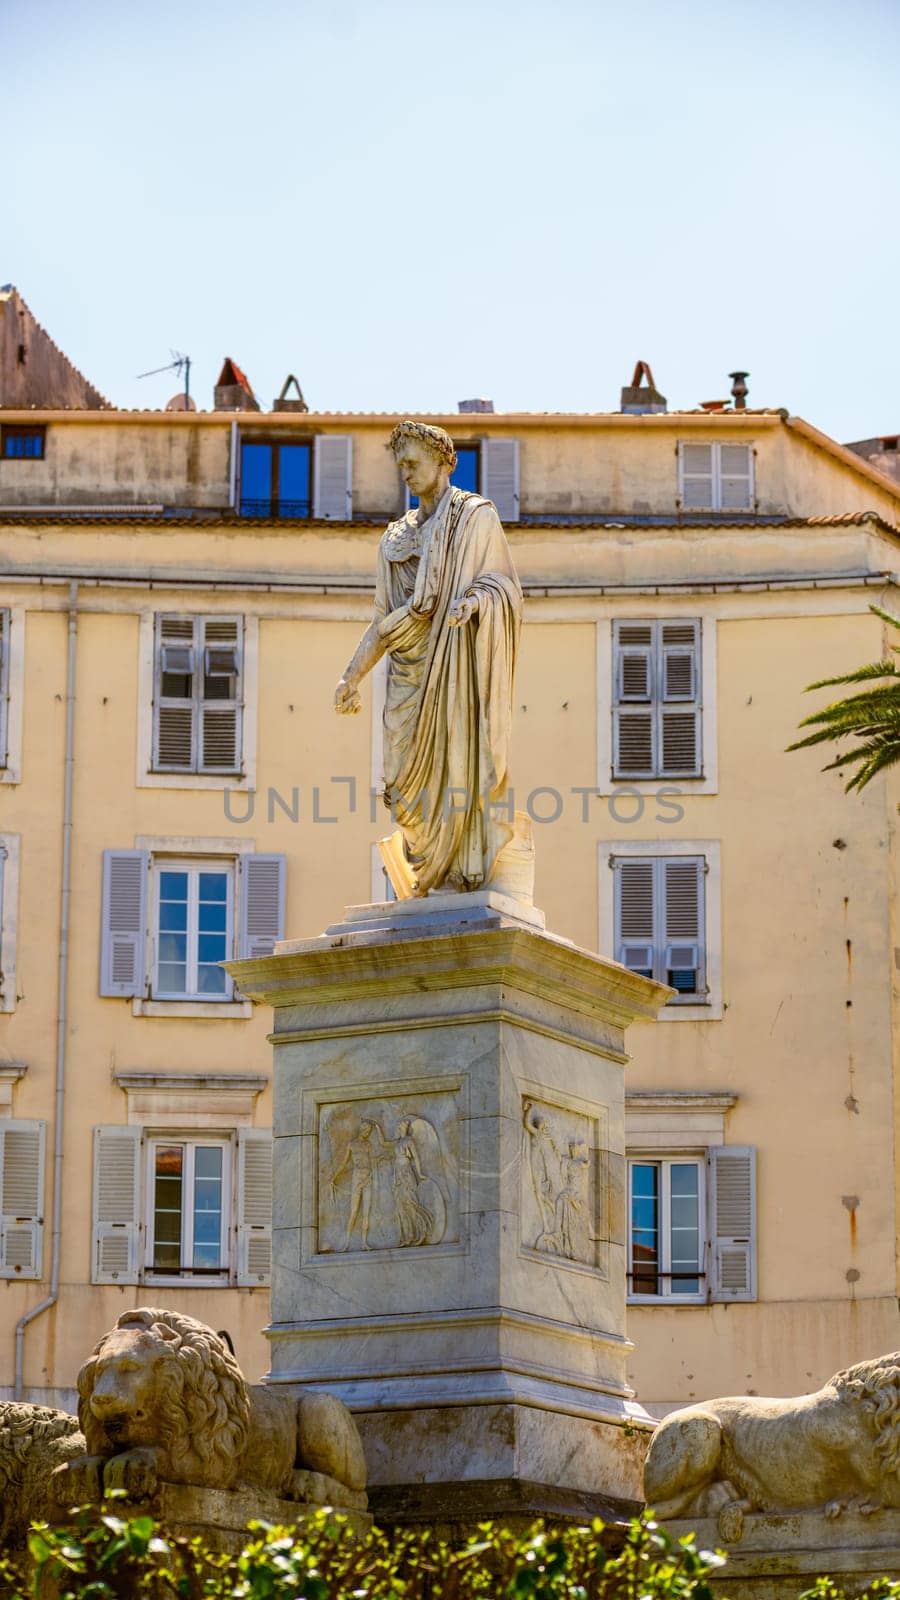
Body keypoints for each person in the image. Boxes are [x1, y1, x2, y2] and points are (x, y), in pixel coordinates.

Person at [334, 420, 524, 898]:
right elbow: (382, 619)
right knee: (401, 786)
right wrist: (350, 677)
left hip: (456, 668)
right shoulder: (394, 538)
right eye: (399, 464)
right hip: (409, 676)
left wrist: (476, 601)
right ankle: (427, 874)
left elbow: (506, 588)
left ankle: (455, 871)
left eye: (413, 463)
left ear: (443, 463)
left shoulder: (475, 517)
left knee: (457, 769)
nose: (405, 472)